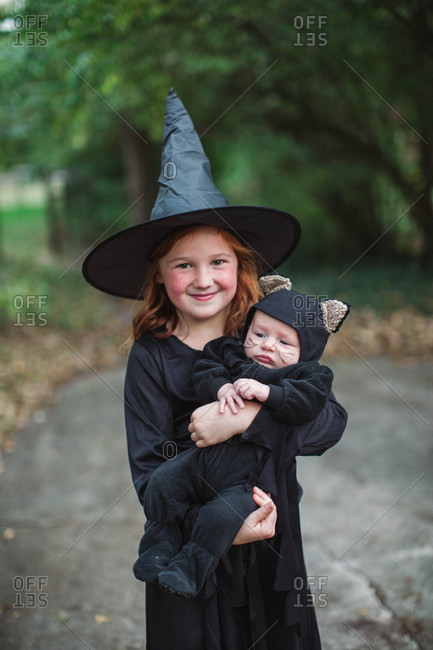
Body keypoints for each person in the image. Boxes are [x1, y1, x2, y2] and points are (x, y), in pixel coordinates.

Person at [82, 89, 348, 649]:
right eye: (184, 264)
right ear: (158, 276)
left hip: (274, 539)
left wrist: (243, 422)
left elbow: (327, 423)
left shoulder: (264, 337)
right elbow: (151, 477)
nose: (203, 279)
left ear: (240, 267)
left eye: (218, 262)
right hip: (193, 549)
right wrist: (221, 528)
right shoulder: (152, 358)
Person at [132, 274, 349, 599]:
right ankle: (158, 546)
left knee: (221, 516)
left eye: (284, 342)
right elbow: (207, 368)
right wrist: (221, 388)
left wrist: (266, 397)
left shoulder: (309, 375)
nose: (266, 345)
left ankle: (189, 569)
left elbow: (314, 408)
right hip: (199, 463)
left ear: (307, 351)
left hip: (250, 480)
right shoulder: (231, 351)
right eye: (259, 333)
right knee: (164, 482)